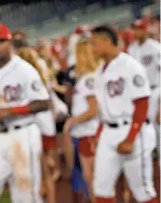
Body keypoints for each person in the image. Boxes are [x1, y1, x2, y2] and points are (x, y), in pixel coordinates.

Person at [0, 24, 50, 203]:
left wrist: (12, 110)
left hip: (23, 134)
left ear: (9, 42)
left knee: (25, 193)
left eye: (0, 41)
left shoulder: (24, 69)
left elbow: (44, 102)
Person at [91, 25, 157, 203]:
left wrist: (131, 137)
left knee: (142, 191)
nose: (92, 47)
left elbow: (142, 103)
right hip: (108, 131)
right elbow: (104, 108)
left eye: (94, 43)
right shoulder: (99, 72)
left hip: (133, 130)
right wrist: (98, 134)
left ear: (106, 41)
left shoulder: (130, 65)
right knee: (101, 189)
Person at [18, 47, 57, 203]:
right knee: (45, 172)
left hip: (37, 127)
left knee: (41, 172)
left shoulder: (27, 76)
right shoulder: (40, 74)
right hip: (47, 126)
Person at [63, 39, 99, 202]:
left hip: (90, 131)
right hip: (84, 131)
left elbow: (93, 109)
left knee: (93, 177)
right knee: (88, 176)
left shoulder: (89, 79)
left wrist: (72, 121)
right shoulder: (85, 79)